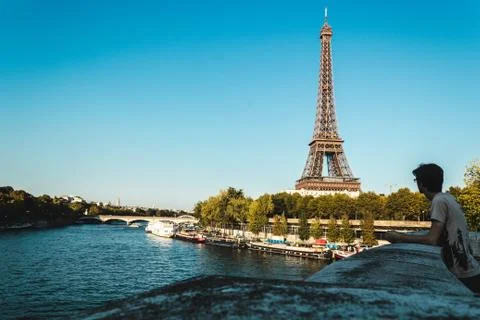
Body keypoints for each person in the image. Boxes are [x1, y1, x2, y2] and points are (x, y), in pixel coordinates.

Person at [385, 163, 480, 293]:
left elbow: (431, 239)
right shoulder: (448, 197)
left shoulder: (438, 201)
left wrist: (399, 237)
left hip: (463, 274)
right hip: (471, 269)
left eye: (416, 180)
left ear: (421, 184)